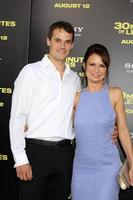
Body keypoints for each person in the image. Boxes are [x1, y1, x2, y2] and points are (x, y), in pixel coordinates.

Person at [9, 21, 118, 200]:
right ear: (48, 41)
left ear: (72, 45)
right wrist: (20, 159)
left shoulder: (75, 79)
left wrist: (106, 130)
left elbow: (79, 117)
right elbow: (17, 118)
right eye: (58, 40)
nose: (62, 46)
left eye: (67, 42)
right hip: (36, 153)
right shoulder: (30, 72)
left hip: (65, 155)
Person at [71, 43, 133, 200]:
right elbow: (62, 125)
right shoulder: (76, 97)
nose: (96, 70)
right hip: (81, 170)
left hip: (107, 170)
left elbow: (124, 130)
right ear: (84, 65)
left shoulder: (115, 94)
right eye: (92, 64)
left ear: (107, 69)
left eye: (102, 65)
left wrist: (132, 163)